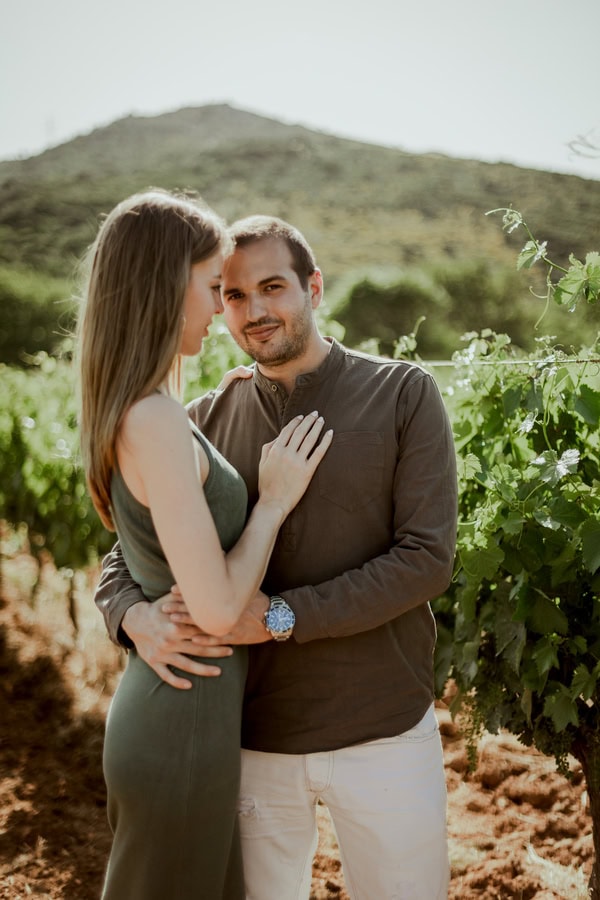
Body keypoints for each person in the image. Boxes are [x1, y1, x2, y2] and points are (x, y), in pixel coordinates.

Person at [95, 214, 458, 899]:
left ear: (313, 287)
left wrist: (279, 616)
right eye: (231, 294)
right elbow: (128, 553)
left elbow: (425, 559)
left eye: (273, 287)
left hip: (382, 729)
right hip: (251, 742)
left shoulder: (404, 393)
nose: (255, 311)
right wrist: (131, 619)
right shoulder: (200, 419)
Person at [77, 193, 332, 900]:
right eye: (212, 286)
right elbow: (219, 610)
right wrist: (273, 502)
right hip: (181, 726)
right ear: (167, 286)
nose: (222, 309)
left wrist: (209, 433)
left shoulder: (154, 412)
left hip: (184, 719)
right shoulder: (154, 419)